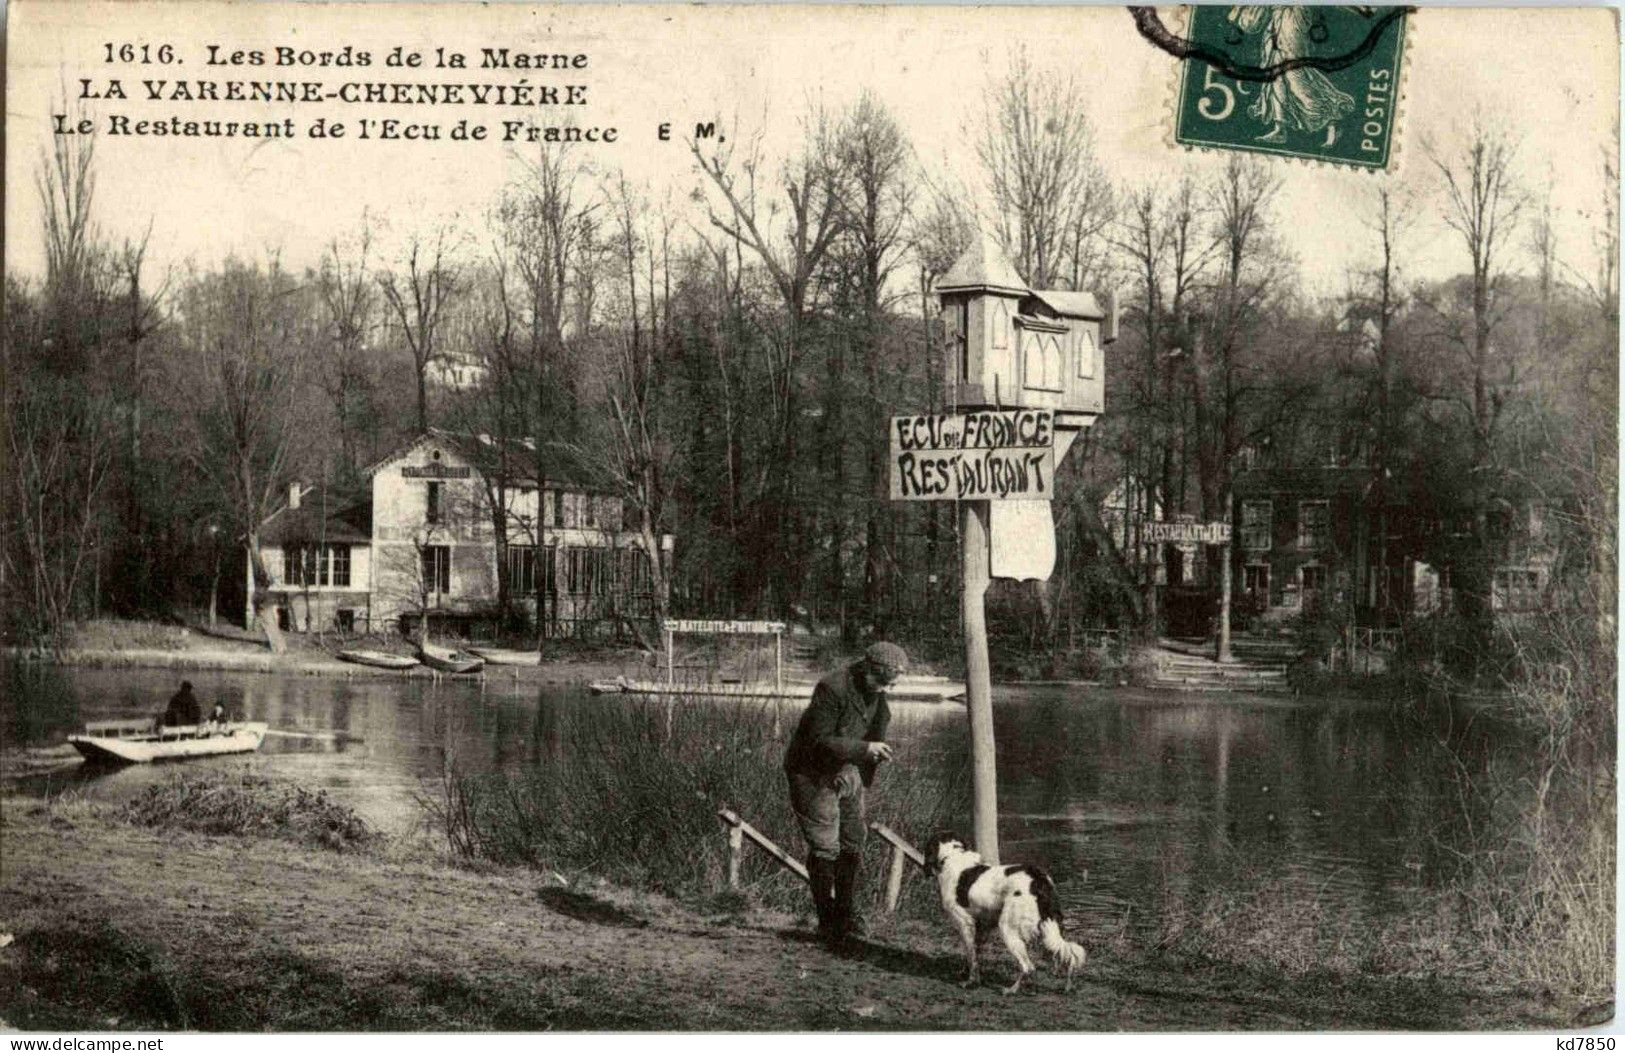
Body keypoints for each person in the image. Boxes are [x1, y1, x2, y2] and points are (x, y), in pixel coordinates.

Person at [783, 641, 909, 950]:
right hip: (811, 773)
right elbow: (818, 739)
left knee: (854, 840)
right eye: (883, 682)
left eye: (892, 684)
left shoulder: (877, 693)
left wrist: (871, 755)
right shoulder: (831, 688)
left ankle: (846, 913)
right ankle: (828, 923)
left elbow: (878, 723)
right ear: (868, 670)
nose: (887, 689)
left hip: (848, 769)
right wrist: (865, 749)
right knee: (826, 847)